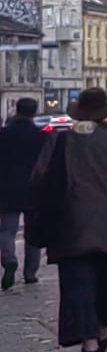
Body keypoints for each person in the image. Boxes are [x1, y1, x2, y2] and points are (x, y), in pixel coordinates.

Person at [27, 88, 107, 352]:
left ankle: (90, 342)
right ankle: (101, 328)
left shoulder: (60, 142)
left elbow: (38, 180)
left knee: (77, 285)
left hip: (69, 225)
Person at [0, 98, 43, 289]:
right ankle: (30, 273)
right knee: (33, 233)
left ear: (16, 111)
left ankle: (9, 260)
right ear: (34, 113)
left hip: (7, 189)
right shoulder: (41, 136)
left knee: (7, 230)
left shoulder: (3, 134)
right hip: (34, 190)